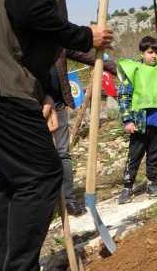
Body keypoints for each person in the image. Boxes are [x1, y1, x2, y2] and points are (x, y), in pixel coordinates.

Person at [0, 0, 113, 270]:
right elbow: (31, 13)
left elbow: (34, 42)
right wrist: (86, 36)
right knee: (41, 175)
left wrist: (47, 94)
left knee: (18, 177)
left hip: (0, 83)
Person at [50, 49, 117, 216]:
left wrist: (119, 69)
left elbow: (86, 54)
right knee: (37, 157)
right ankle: (44, 203)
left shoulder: (58, 38)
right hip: (30, 104)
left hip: (57, 103)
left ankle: (68, 200)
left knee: (62, 153)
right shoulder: (23, 36)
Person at [116, 36, 157, 204]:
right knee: (134, 155)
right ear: (142, 53)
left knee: (154, 154)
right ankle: (127, 187)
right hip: (139, 122)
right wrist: (127, 120)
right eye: (150, 52)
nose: (154, 56)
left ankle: (151, 182)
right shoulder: (133, 70)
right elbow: (124, 97)